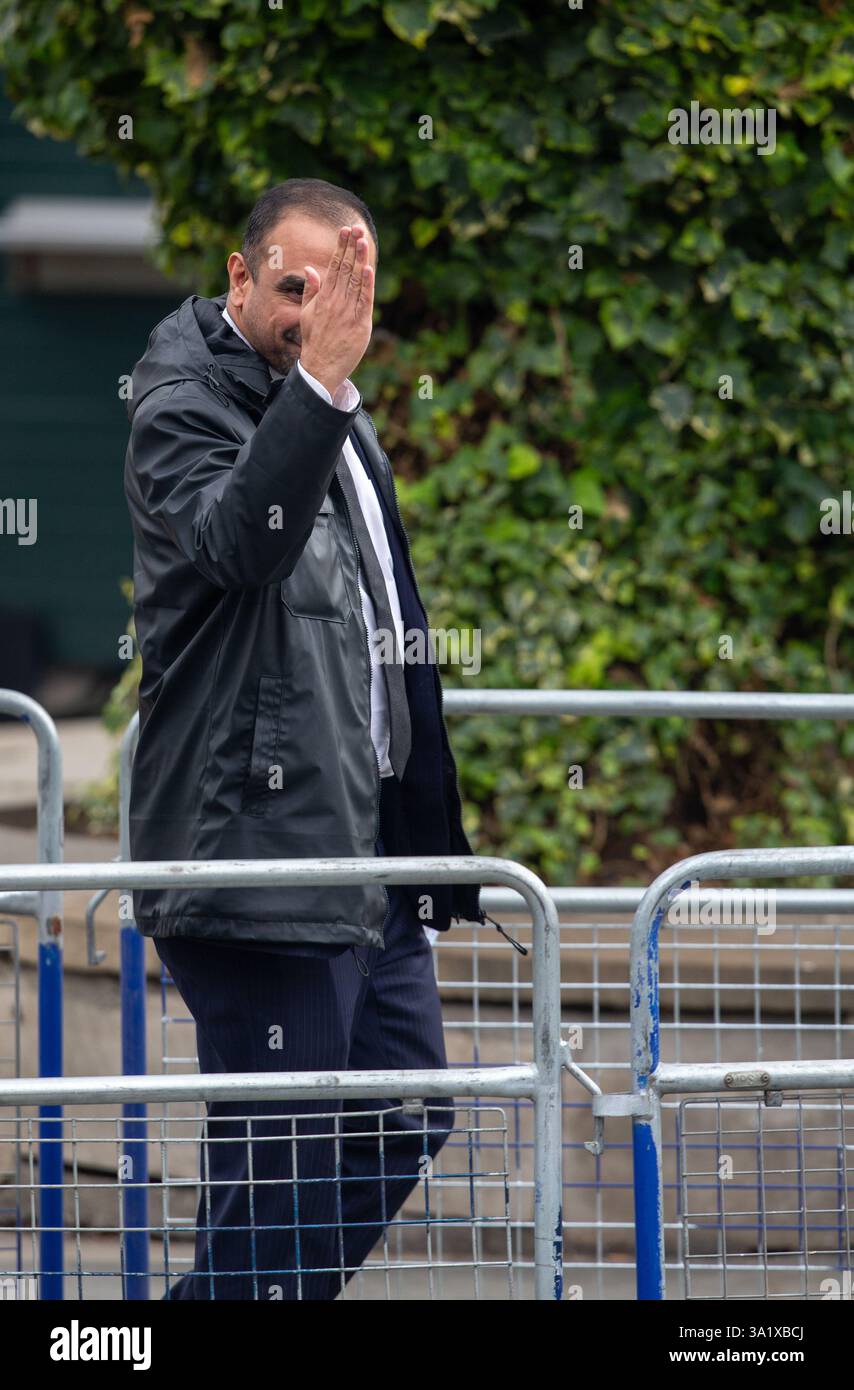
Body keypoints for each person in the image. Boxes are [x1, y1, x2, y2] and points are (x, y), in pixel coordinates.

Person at [123, 178, 486, 1299]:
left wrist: (420, 835)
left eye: (338, 296)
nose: (310, 317)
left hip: (360, 856)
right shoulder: (181, 403)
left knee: (405, 1115)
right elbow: (244, 543)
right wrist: (322, 379)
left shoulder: (330, 407)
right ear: (238, 276)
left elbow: (385, 623)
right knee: (276, 1180)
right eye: (291, 291)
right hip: (255, 857)